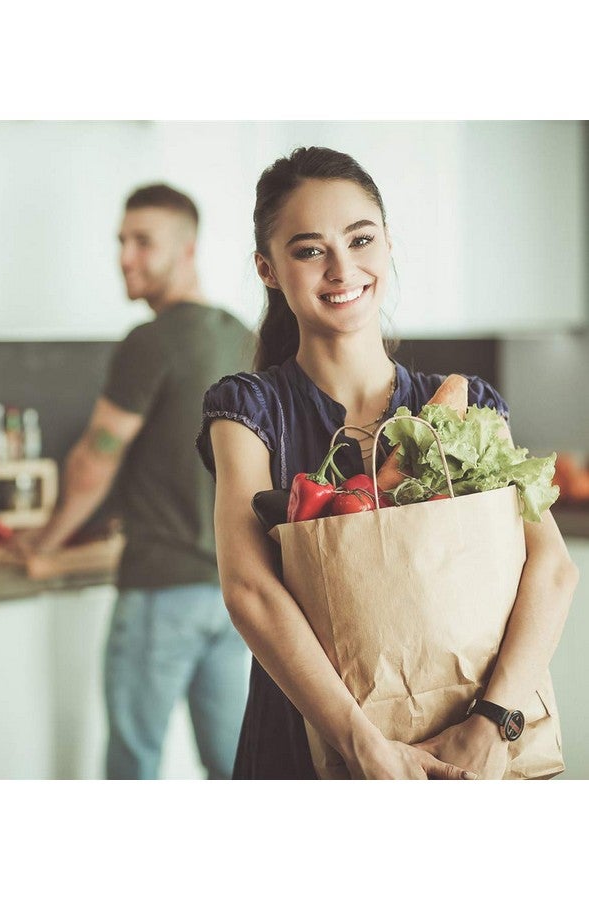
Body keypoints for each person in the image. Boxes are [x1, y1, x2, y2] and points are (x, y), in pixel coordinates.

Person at [196, 146, 579, 780]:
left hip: (472, 739)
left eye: (360, 239)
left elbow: (553, 569)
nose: (342, 268)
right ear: (268, 269)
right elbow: (249, 590)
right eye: (309, 249)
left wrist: (491, 724)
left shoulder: (467, 405)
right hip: (302, 748)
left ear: (389, 243)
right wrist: (360, 741)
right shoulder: (247, 410)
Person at [25, 183, 253, 779]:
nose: (125, 256)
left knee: (133, 767)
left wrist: (43, 543)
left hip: (160, 589)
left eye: (142, 242)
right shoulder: (243, 338)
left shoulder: (149, 342)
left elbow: (93, 462)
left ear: (187, 249)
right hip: (237, 596)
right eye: (121, 241)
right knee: (235, 770)